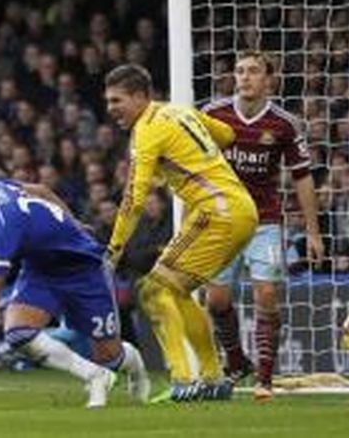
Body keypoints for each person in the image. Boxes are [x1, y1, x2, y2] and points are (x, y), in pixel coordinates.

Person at [0, 157, 149, 408]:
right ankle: (94, 376)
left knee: (109, 356)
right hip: (41, 270)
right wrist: (74, 221)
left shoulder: (0, 227)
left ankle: (134, 366)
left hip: (84, 268)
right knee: (18, 333)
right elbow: (41, 190)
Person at [104, 64, 257, 401]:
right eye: (108, 101)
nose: (111, 108)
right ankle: (213, 377)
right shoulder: (179, 111)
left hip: (215, 212)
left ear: (141, 96)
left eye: (118, 100)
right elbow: (227, 136)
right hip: (241, 209)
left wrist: (113, 250)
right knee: (176, 291)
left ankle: (183, 378)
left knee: (152, 291)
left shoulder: (146, 130)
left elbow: (134, 196)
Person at [203, 50, 325, 401]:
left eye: (253, 71)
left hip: (264, 221)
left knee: (267, 294)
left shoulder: (284, 124)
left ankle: (265, 380)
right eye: (240, 71)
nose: (244, 77)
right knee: (216, 300)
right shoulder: (214, 115)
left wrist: (313, 231)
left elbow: (302, 178)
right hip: (223, 222)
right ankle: (238, 360)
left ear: (268, 79)